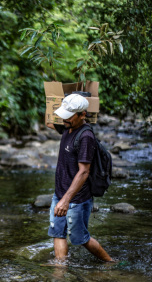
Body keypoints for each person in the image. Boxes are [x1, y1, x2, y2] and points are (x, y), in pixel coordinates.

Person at [46, 94, 112, 262]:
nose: (64, 118)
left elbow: (84, 172)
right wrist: (52, 96)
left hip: (76, 199)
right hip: (60, 193)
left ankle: (110, 263)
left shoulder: (85, 137)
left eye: (69, 115)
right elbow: (48, 121)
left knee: (80, 238)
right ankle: (60, 272)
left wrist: (66, 200)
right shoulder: (67, 126)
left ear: (82, 115)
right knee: (57, 233)